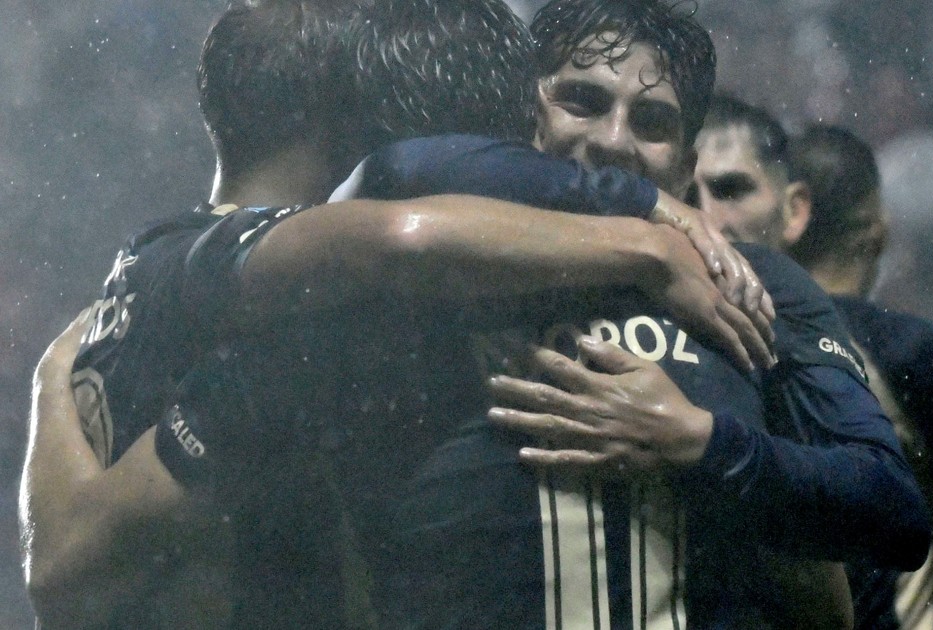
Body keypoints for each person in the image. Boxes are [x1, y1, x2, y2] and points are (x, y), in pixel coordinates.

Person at [20, 1, 773, 627]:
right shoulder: (307, 315)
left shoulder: (149, 259)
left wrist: (49, 382)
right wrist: (648, 238)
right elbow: (64, 572)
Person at [686, 95, 933, 629]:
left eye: (731, 190)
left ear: (794, 212)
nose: (707, 215)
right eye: (690, 193)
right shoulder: (664, 342)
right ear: (878, 232)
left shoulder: (905, 357)